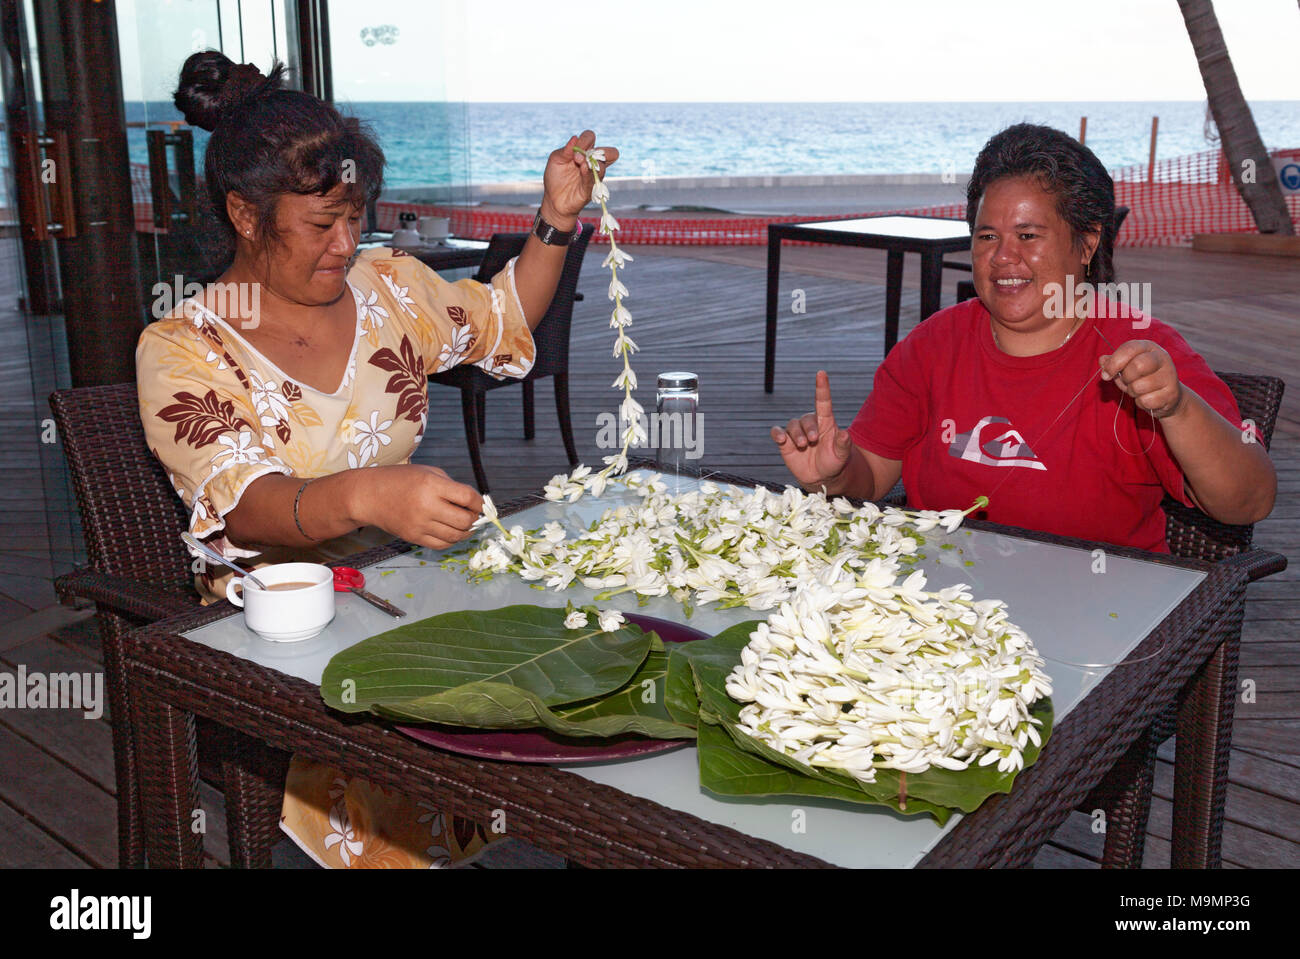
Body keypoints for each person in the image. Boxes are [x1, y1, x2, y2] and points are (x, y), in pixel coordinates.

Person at [137, 51, 616, 867]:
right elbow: (249, 502)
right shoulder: (184, 348)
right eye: (321, 225)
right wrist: (365, 493)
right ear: (246, 216)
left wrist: (554, 218)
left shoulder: (388, 286)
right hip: (280, 623)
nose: (346, 243)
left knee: (566, 651)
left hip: (404, 575)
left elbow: (501, 319)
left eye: (357, 216)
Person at [772, 123, 1275, 552]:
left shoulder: (1142, 352)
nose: (1003, 256)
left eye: (1028, 236)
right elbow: (872, 477)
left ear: (1087, 242)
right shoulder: (933, 345)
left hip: (1102, 617)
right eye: (987, 236)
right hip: (941, 610)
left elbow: (1247, 503)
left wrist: (1177, 409)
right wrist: (832, 475)